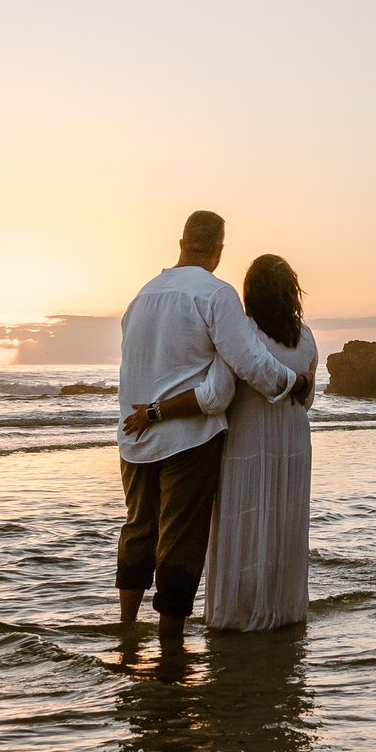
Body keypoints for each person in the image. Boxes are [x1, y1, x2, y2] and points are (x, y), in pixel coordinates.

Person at [116, 211, 312, 644]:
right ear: (220, 249)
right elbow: (248, 362)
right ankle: (171, 643)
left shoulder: (143, 295)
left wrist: (146, 414)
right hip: (187, 437)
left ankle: (127, 632)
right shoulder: (215, 294)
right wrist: (292, 381)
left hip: (134, 435)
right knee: (181, 542)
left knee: (139, 531)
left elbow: (134, 365)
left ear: (182, 241)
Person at [202, 254, 316, 631]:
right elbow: (308, 397)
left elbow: (219, 391)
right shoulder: (306, 337)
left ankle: (237, 613)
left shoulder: (242, 333)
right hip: (294, 435)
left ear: (249, 294)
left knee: (243, 520)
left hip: (247, 434)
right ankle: (284, 610)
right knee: (285, 523)